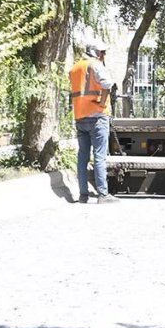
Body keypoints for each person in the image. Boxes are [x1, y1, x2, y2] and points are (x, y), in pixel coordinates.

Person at [69, 39, 118, 204]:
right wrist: (103, 102)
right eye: (103, 52)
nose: (104, 55)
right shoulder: (95, 65)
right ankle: (103, 195)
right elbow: (107, 84)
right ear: (96, 53)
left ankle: (83, 194)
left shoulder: (75, 68)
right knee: (99, 156)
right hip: (97, 117)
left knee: (82, 156)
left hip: (80, 117)